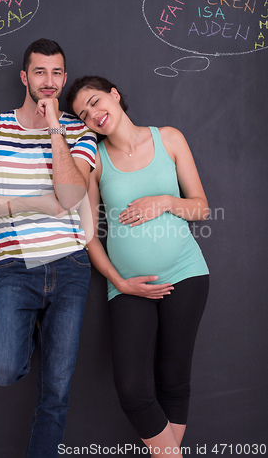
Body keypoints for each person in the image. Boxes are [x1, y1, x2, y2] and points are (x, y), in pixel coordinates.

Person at [0, 39, 97, 458]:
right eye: (39, 72)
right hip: (15, 266)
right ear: (24, 77)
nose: (48, 82)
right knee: (2, 370)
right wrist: (31, 204)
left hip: (71, 265)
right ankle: (33, 329)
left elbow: (71, 196)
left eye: (56, 73)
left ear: (64, 78)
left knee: (55, 392)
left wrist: (55, 125)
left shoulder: (78, 130)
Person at [66, 76, 209, 457]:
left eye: (96, 102)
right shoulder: (94, 160)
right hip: (127, 287)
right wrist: (119, 282)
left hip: (186, 274)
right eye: (82, 114)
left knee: (174, 381)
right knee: (132, 389)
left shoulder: (169, 139)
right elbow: (88, 235)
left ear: (115, 95)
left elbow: (201, 206)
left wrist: (164, 201)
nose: (93, 114)